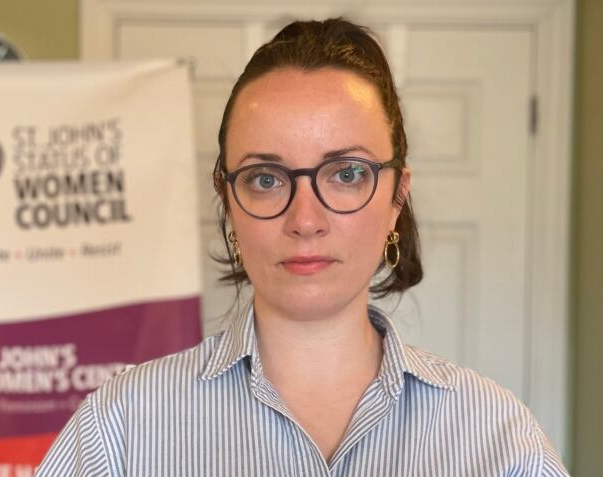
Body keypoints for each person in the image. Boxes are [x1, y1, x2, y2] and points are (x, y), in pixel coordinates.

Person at [35, 18, 570, 476]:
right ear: (228, 199)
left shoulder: (496, 436)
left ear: (396, 196)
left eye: (346, 173)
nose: (305, 219)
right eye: (266, 178)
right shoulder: (122, 430)